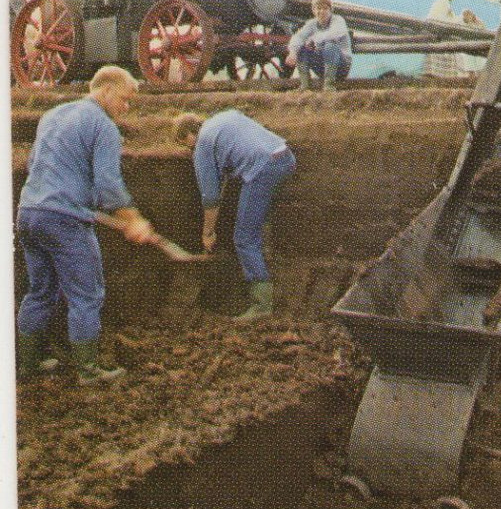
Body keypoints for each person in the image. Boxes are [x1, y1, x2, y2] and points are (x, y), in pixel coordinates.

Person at [16, 66, 155, 384]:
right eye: (124, 99)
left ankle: (28, 365)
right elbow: (109, 184)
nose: (126, 108)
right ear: (105, 90)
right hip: (64, 221)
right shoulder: (103, 126)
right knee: (87, 295)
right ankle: (88, 370)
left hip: (29, 213)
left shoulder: (52, 115)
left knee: (40, 292)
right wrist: (133, 220)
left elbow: (33, 164)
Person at [174, 110, 296, 320]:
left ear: (189, 134)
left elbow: (210, 198)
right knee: (258, 220)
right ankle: (267, 264)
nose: (190, 149)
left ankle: (262, 305)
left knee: (244, 238)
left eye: (187, 145)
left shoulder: (202, 144)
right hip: (285, 158)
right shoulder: (225, 117)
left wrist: (208, 233)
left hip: (262, 169)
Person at [285, 0, 352, 90]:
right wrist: (293, 53)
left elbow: (333, 35)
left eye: (325, 8)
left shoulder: (338, 21)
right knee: (301, 48)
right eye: (318, 8)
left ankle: (329, 86)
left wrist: (312, 40)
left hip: (341, 68)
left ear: (331, 10)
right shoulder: (312, 24)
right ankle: (305, 86)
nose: (322, 11)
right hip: (323, 67)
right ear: (313, 10)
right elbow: (298, 37)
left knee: (330, 46)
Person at [423, 0, 464, 78]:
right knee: (444, 52)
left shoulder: (443, 2)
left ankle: (442, 75)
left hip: (438, 32)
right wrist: (456, 21)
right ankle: (443, 75)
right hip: (438, 32)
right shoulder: (443, 3)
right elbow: (442, 19)